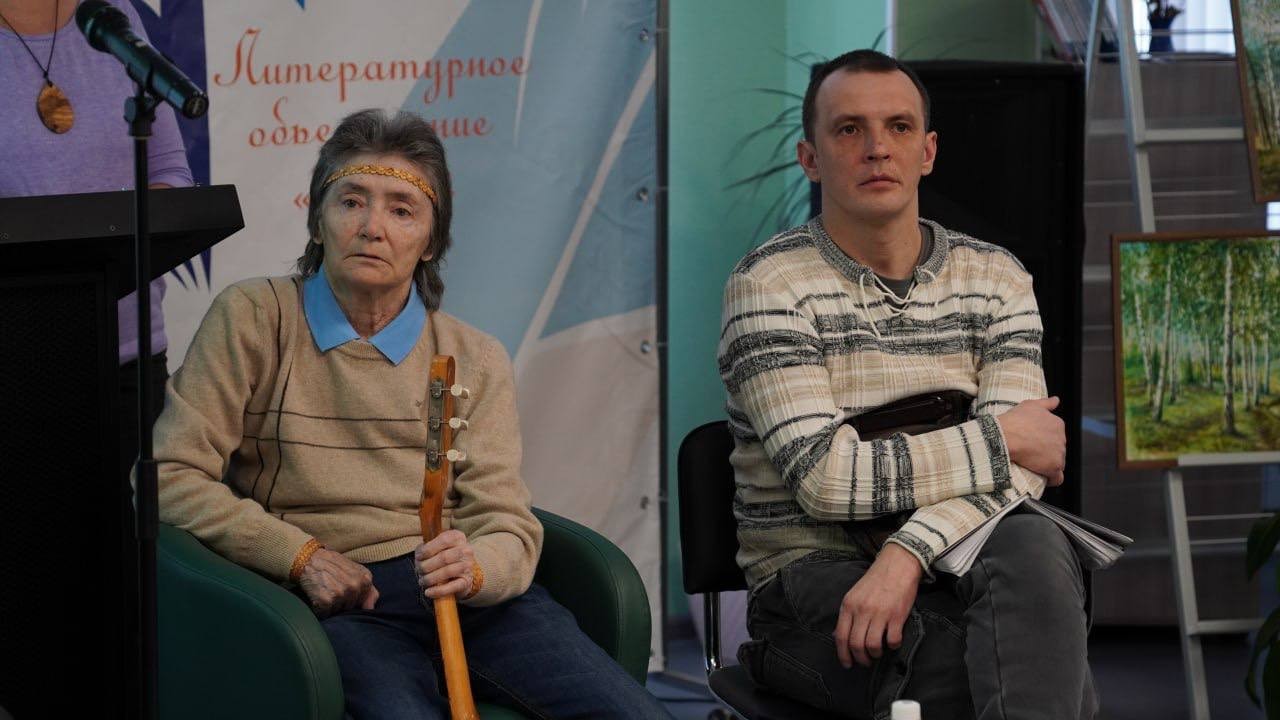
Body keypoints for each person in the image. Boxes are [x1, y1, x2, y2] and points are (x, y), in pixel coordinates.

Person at [153, 108, 671, 720]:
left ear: (430, 244)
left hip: (466, 596)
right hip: (340, 600)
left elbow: (505, 516)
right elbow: (169, 477)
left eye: (402, 210)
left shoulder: (474, 355)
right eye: (351, 202)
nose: (372, 227)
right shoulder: (253, 317)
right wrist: (300, 557)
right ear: (317, 221)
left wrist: (478, 568)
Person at [717, 50, 1096, 719]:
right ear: (811, 158)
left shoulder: (996, 277)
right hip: (812, 572)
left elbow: (1024, 473)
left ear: (928, 151)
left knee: (1035, 544)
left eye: (898, 127)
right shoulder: (769, 285)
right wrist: (1001, 439)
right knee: (1002, 664)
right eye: (849, 129)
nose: (876, 148)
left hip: (957, 554)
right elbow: (825, 480)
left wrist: (905, 553)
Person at [0, 0, 193, 478]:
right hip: (15, 365)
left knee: (136, 523)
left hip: (130, 359)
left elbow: (171, 171)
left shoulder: (109, 14)